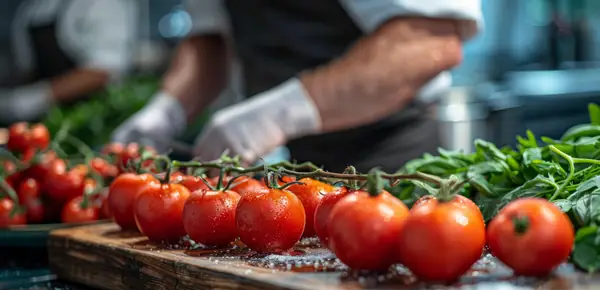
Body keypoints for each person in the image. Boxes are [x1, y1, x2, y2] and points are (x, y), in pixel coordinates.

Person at [112, 0, 483, 174]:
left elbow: (427, 43)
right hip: (304, 172)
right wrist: (166, 111)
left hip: (395, 167)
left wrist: (276, 115)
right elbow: (210, 36)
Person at [0, 0, 137, 125]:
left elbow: (102, 71)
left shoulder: (102, 4)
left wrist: (35, 98)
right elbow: (26, 68)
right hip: (41, 124)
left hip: (94, 121)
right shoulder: (31, 8)